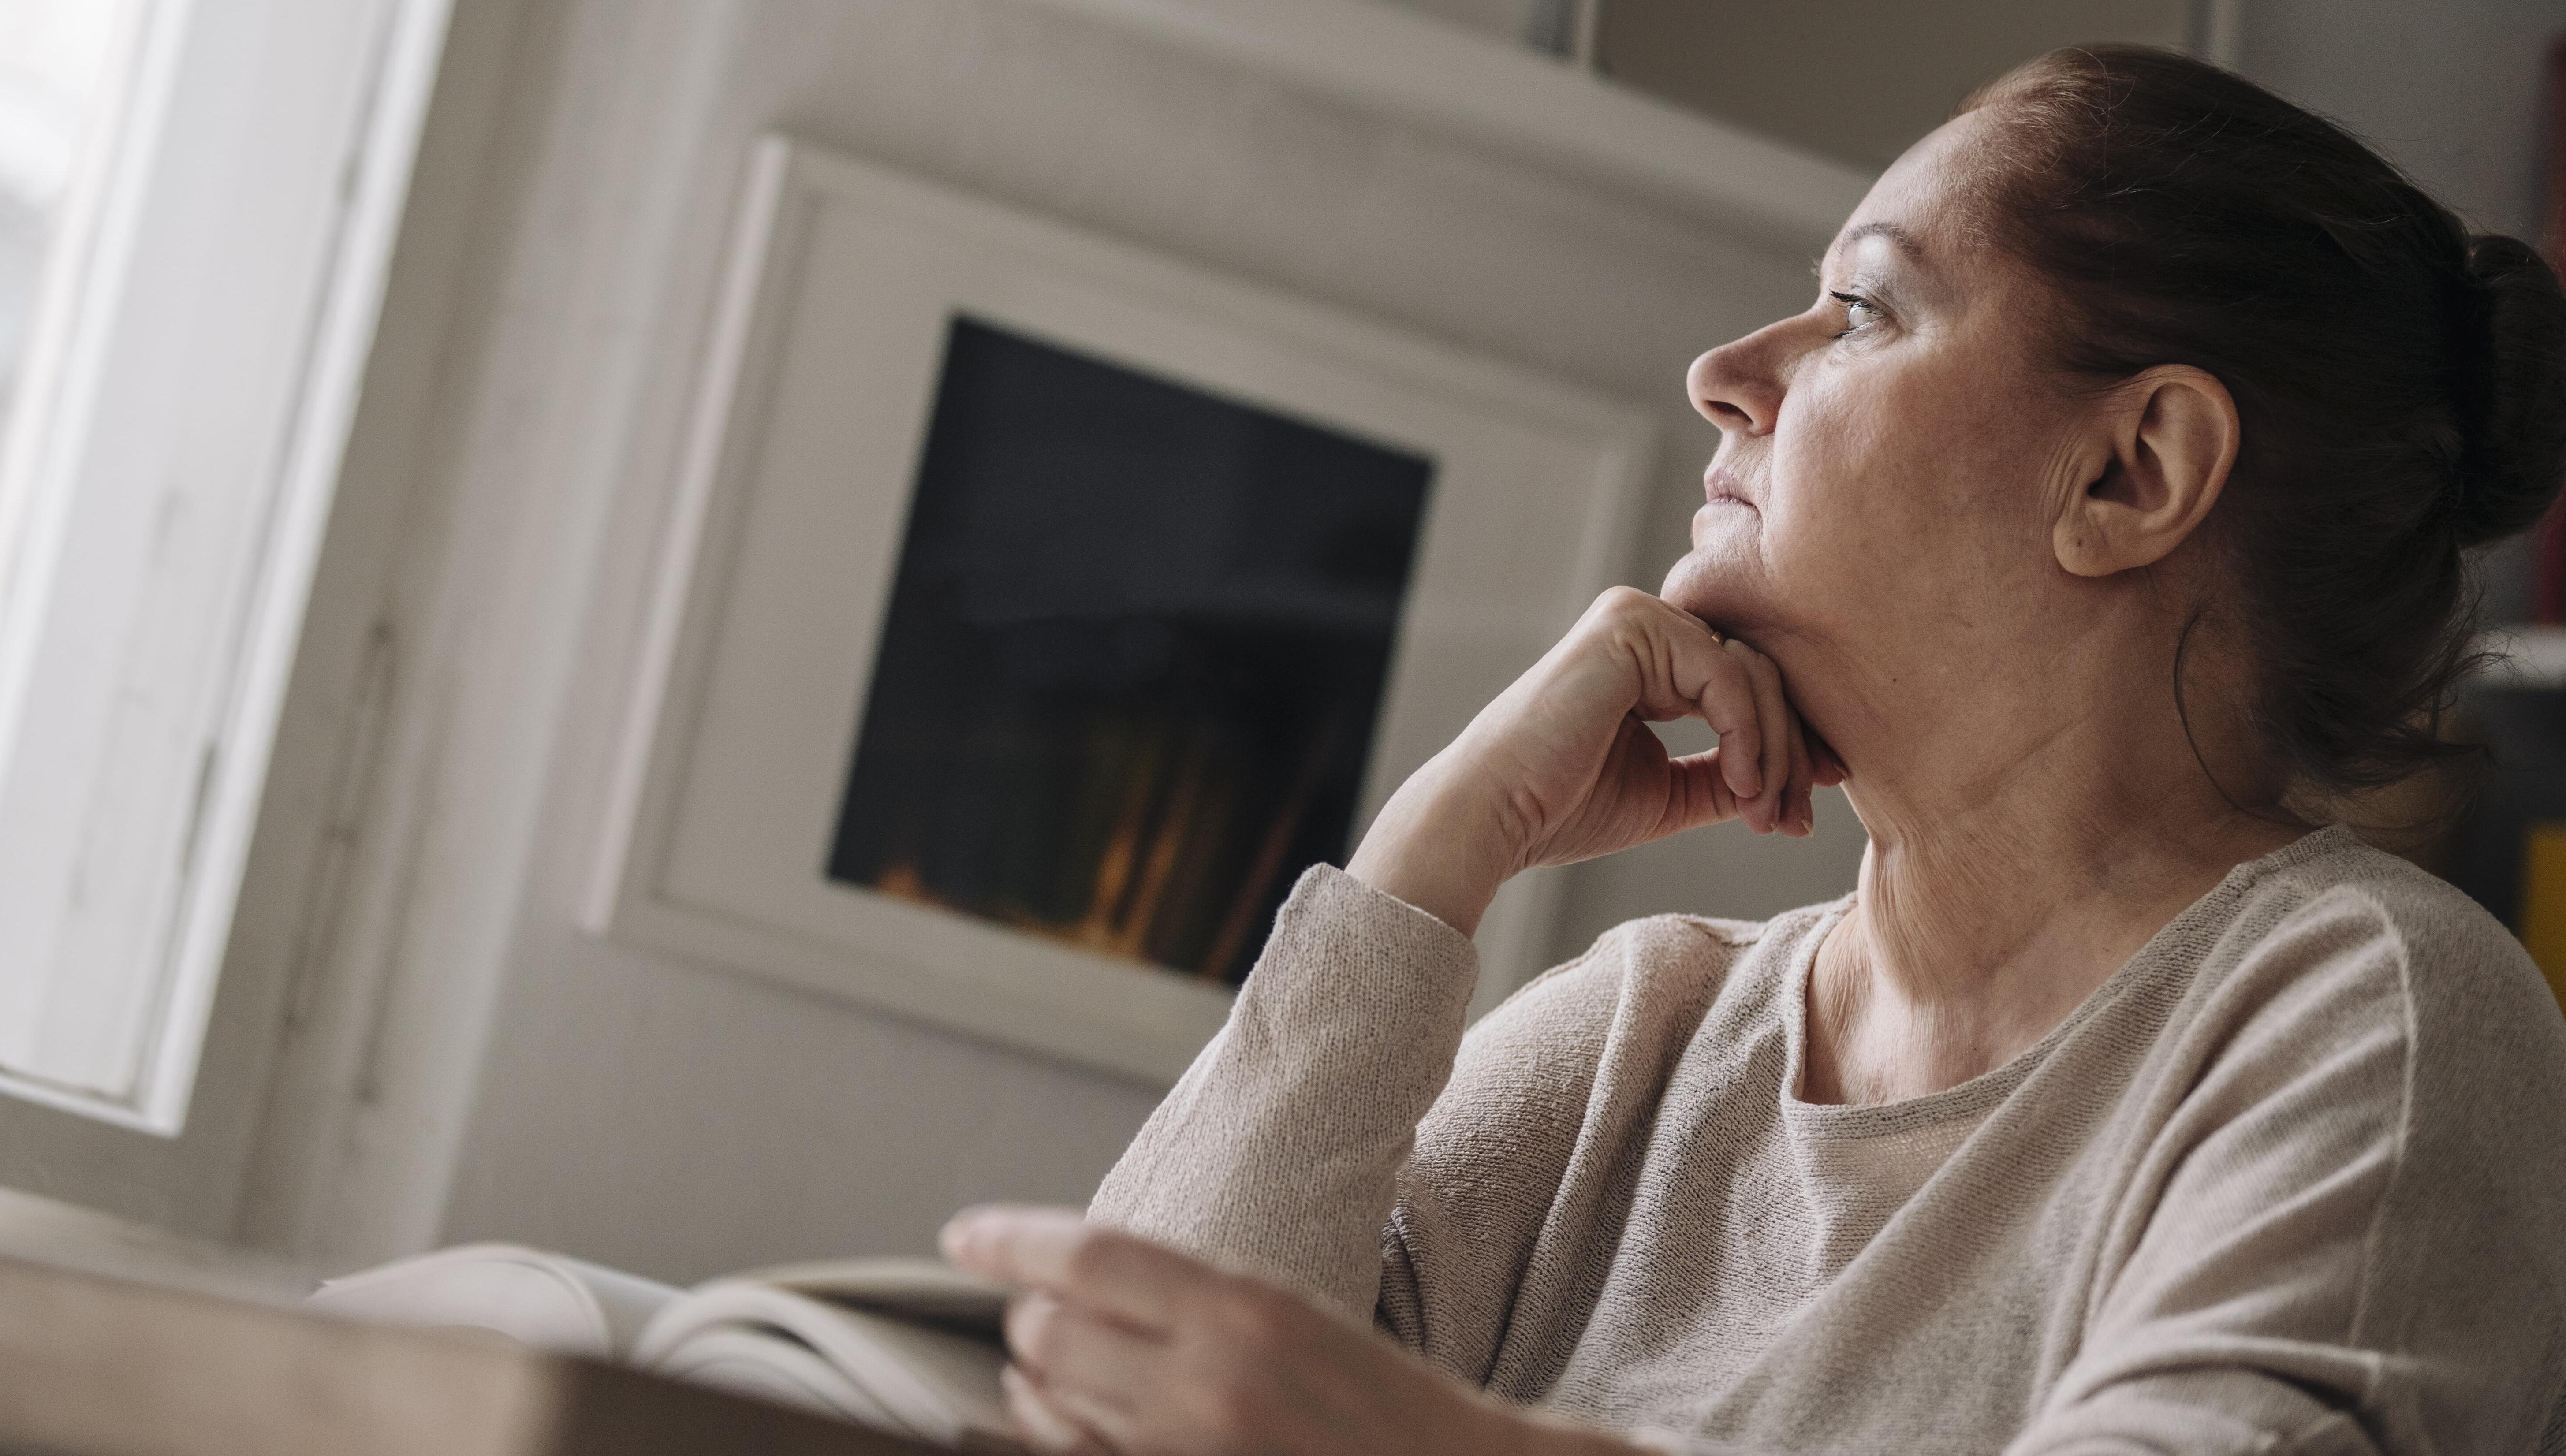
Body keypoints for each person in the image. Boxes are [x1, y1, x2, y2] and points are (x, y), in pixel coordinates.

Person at [940, 44, 2566, 1456]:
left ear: (2131, 474)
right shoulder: (1637, 1037)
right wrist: (1424, 868)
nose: (1725, 377)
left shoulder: (2380, 1021)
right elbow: (1108, 1411)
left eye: (1858, 308)